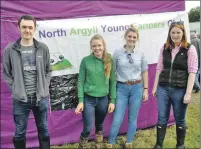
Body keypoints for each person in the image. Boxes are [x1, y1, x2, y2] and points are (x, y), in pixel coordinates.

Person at [2, 15, 52, 149]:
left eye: (30, 27)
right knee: (19, 132)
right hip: (20, 100)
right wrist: (15, 89)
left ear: (35, 29)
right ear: (18, 28)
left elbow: (49, 70)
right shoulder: (10, 49)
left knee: (44, 130)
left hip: (40, 98)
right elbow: (6, 73)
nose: (27, 30)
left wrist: (44, 87)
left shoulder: (43, 48)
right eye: (24, 27)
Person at [152, 22, 198, 149]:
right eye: (173, 32)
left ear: (183, 33)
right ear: (169, 33)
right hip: (163, 88)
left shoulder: (189, 49)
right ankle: (159, 145)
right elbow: (159, 68)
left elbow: (192, 71)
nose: (175, 35)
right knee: (161, 117)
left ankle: (180, 145)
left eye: (178, 32)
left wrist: (188, 93)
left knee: (180, 119)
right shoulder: (164, 48)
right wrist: (155, 87)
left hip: (180, 90)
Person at [106, 24, 148, 149]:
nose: (132, 39)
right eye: (129, 36)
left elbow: (145, 71)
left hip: (137, 88)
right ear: (125, 37)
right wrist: (111, 90)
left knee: (132, 118)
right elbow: (112, 72)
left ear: (137, 38)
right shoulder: (117, 53)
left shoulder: (141, 53)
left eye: (134, 37)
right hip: (121, 88)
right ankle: (111, 143)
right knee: (117, 117)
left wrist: (145, 89)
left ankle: (129, 142)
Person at [75, 34, 116, 148]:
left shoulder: (109, 59)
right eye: (94, 46)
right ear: (91, 47)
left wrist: (112, 100)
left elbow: (113, 82)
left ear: (103, 45)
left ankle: (99, 145)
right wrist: (81, 100)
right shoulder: (86, 61)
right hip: (89, 99)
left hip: (103, 99)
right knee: (88, 127)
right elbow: (80, 81)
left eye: (99, 45)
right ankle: (82, 146)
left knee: (100, 125)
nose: (97, 48)